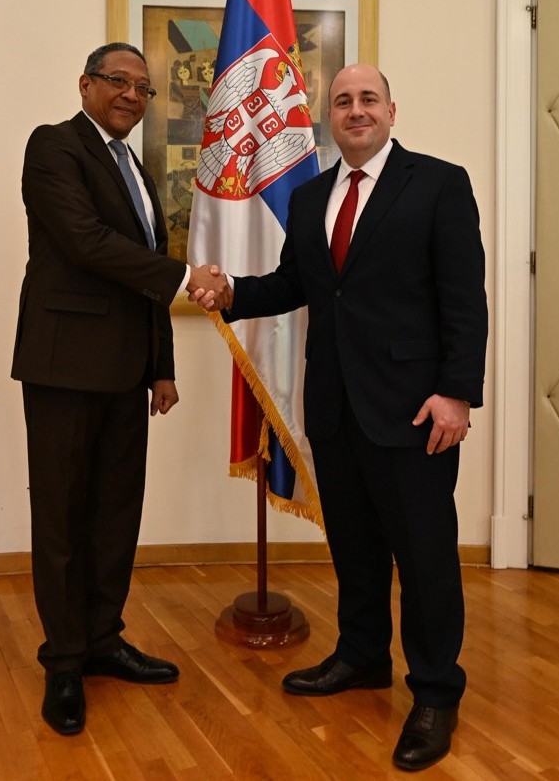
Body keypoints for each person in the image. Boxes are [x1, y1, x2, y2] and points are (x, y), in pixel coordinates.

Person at [198, 64, 487, 771]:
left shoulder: (439, 184)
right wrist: (232, 290)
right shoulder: (310, 197)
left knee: (423, 559)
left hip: (415, 411)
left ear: (391, 110)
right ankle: (362, 656)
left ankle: (435, 692)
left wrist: (456, 392)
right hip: (333, 405)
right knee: (355, 550)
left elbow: (464, 297)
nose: (356, 111)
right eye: (343, 102)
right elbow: (294, 284)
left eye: (368, 99)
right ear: (329, 117)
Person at [12, 42, 229, 736]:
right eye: (118, 81)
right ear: (86, 84)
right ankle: (64, 661)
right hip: (64, 367)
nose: (132, 95)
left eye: (143, 87)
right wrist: (187, 277)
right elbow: (84, 241)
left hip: (127, 372)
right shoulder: (54, 147)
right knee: (62, 517)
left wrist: (161, 365)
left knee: (114, 513)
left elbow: (144, 274)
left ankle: (103, 639)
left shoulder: (135, 166)